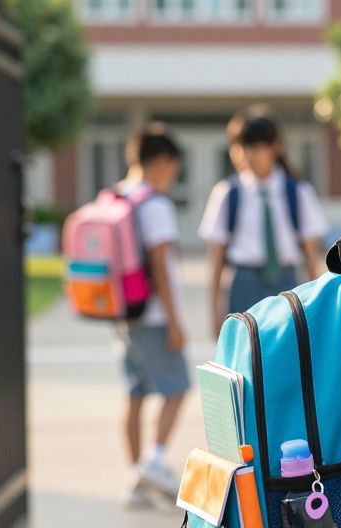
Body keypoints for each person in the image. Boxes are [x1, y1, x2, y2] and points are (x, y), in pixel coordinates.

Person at [199, 105, 329, 338]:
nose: (247, 154)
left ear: (275, 147)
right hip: (243, 283)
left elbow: (311, 255)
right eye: (241, 146)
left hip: (287, 283)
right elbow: (216, 258)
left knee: (287, 356)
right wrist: (213, 310)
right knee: (244, 360)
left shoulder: (298, 192)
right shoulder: (227, 193)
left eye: (256, 146)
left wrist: (319, 307)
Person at [117, 123, 190, 507]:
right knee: (178, 388)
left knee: (135, 392)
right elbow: (160, 264)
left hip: (124, 313)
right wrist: (176, 323)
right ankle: (155, 462)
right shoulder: (155, 204)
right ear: (161, 162)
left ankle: (136, 477)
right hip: (155, 315)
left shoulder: (118, 195)